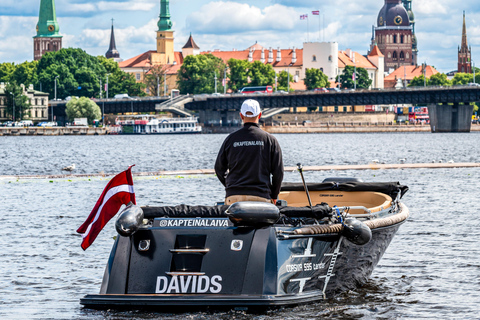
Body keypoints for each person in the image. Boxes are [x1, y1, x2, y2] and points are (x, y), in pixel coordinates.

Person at [215, 99, 284, 205]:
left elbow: (219, 168)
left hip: (234, 198)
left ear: (241, 116)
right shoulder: (270, 140)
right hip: (261, 197)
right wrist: (274, 195)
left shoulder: (230, 139)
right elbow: (278, 172)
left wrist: (231, 186)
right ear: (260, 115)